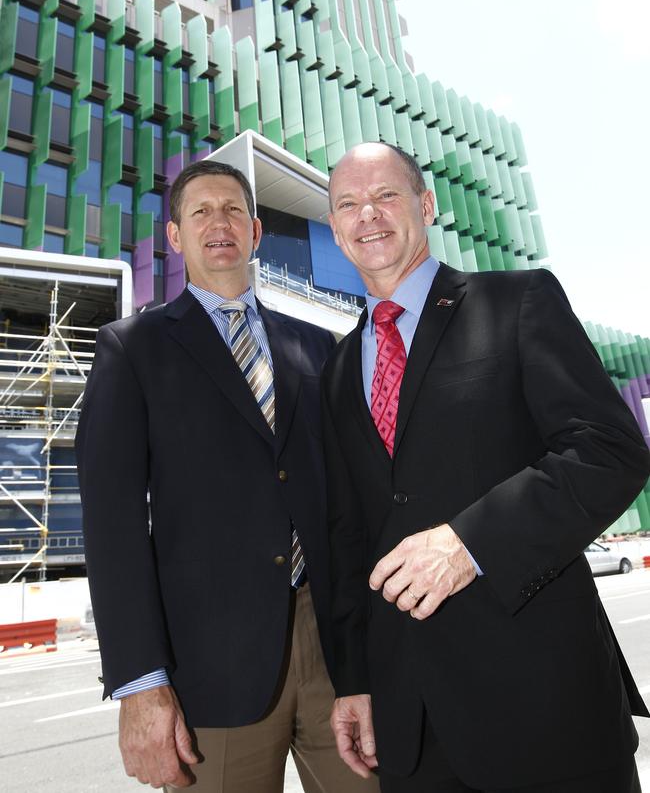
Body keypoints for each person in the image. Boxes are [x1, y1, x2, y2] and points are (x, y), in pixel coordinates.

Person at [321, 141, 650, 793]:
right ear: (334, 228)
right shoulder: (335, 370)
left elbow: (609, 449)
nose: (369, 215)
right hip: (412, 727)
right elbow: (348, 533)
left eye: (386, 195)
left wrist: (470, 543)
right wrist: (353, 680)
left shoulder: (519, 300)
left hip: (545, 706)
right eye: (348, 204)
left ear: (426, 203)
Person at [76, 160, 379, 793]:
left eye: (234, 209)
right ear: (176, 238)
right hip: (209, 668)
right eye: (201, 212)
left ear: (257, 230)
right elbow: (113, 526)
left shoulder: (318, 347)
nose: (220, 223)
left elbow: (348, 501)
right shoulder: (132, 348)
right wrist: (141, 684)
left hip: (332, 654)